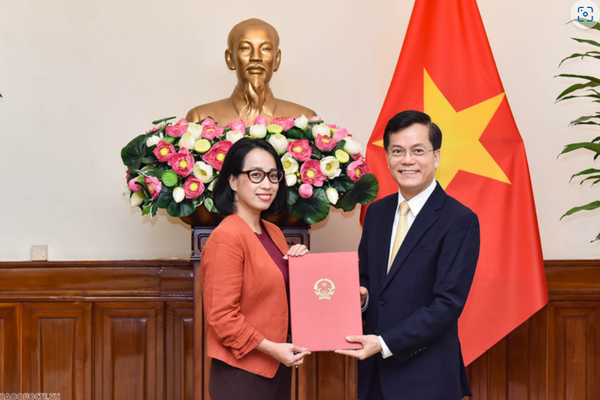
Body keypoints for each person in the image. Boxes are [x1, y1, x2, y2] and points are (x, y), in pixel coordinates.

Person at [335, 110, 480, 400]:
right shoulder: (376, 213)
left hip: (427, 376)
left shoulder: (459, 219)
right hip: (374, 376)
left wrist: (385, 342)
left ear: (436, 156)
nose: (407, 160)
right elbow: (367, 280)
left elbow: (447, 304)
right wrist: (362, 299)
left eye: (418, 151)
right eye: (397, 151)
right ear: (387, 157)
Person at [200, 138, 311, 400]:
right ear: (233, 181)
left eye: (273, 176)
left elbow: (279, 297)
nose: (268, 184)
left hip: (276, 367)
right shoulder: (226, 236)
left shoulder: (273, 232)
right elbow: (222, 317)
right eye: (256, 175)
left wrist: (303, 268)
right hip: (242, 373)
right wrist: (272, 349)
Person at [186, 18, 316, 125]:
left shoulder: (304, 120)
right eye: (245, 48)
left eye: (265, 48)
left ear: (277, 60)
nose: (256, 57)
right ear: (230, 59)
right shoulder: (200, 119)